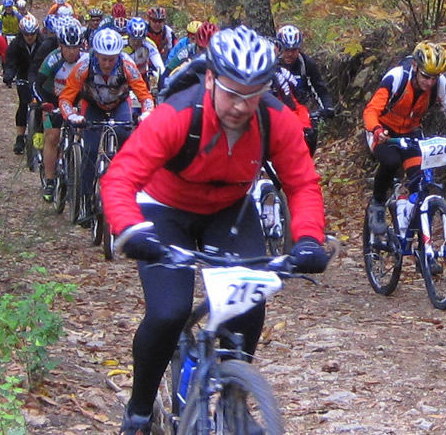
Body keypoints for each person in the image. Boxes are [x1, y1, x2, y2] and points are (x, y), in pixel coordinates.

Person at [100, 26, 328, 435]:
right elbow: (119, 178)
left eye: (253, 93)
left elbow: (301, 182)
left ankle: (235, 400)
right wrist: (131, 229)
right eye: (232, 92)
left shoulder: (275, 118)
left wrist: (309, 238)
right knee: (169, 312)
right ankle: (139, 409)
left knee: (248, 306)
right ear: (210, 79)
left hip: (230, 212)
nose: (242, 105)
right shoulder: (179, 115)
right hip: (164, 210)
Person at [363, 41, 446, 235]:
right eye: (426, 77)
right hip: (383, 131)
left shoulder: (439, 84)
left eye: (435, 78)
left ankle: (419, 244)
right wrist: (376, 130)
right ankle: (377, 204)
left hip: (410, 131)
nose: (430, 83)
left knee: (420, 181)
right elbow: (371, 110)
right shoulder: (397, 77)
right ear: (416, 67)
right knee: (391, 161)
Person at [58, 27, 155, 224]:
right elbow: (66, 99)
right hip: (93, 105)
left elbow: (145, 96)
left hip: (120, 104)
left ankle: (126, 190)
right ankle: (85, 200)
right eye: (103, 59)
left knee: (126, 139)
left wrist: (146, 114)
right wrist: (72, 116)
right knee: (90, 152)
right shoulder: (83, 66)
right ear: (97, 55)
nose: (108, 64)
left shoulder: (127, 66)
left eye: (112, 59)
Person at [35, 21, 89, 201]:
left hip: (76, 100)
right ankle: (50, 181)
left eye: (75, 47)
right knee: (52, 136)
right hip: (53, 99)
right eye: (67, 47)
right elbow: (36, 84)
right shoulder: (53, 59)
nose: (71, 52)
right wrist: (43, 103)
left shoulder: (86, 61)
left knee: (83, 133)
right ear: (60, 46)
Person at [275, 25, 335, 120]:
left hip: (301, 112)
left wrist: (327, 108)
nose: (289, 54)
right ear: (278, 48)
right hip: (277, 112)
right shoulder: (271, 65)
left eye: (294, 50)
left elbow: (319, 89)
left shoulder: (306, 64)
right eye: (286, 50)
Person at [3, 15, 44, 155]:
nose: (30, 37)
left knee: (41, 105)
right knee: (23, 103)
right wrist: (8, 74)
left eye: (32, 34)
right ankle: (20, 137)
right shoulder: (16, 44)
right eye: (26, 34)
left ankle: (39, 134)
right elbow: (10, 61)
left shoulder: (43, 42)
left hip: (39, 76)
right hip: (23, 75)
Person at [123, 17, 165, 89]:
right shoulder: (120, 44)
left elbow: (160, 67)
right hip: (124, 79)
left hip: (142, 78)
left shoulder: (150, 45)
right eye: (133, 39)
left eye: (140, 40)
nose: (136, 43)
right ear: (128, 35)